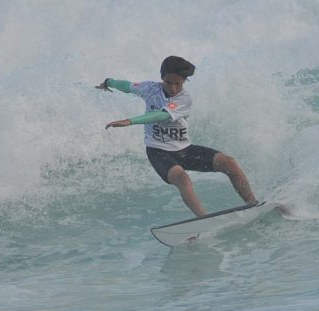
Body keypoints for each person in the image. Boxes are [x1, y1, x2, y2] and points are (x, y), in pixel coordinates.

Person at [96, 56, 258, 217]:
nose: (173, 88)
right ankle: (204, 219)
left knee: (230, 163)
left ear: (184, 81)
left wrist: (130, 121)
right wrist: (109, 82)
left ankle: (253, 204)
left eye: (178, 83)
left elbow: (161, 115)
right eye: (168, 83)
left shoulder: (184, 99)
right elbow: (127, 86)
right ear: (162, 78)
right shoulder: (150, 88)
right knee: (182, 178)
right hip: (158, 152)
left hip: (184, 150)